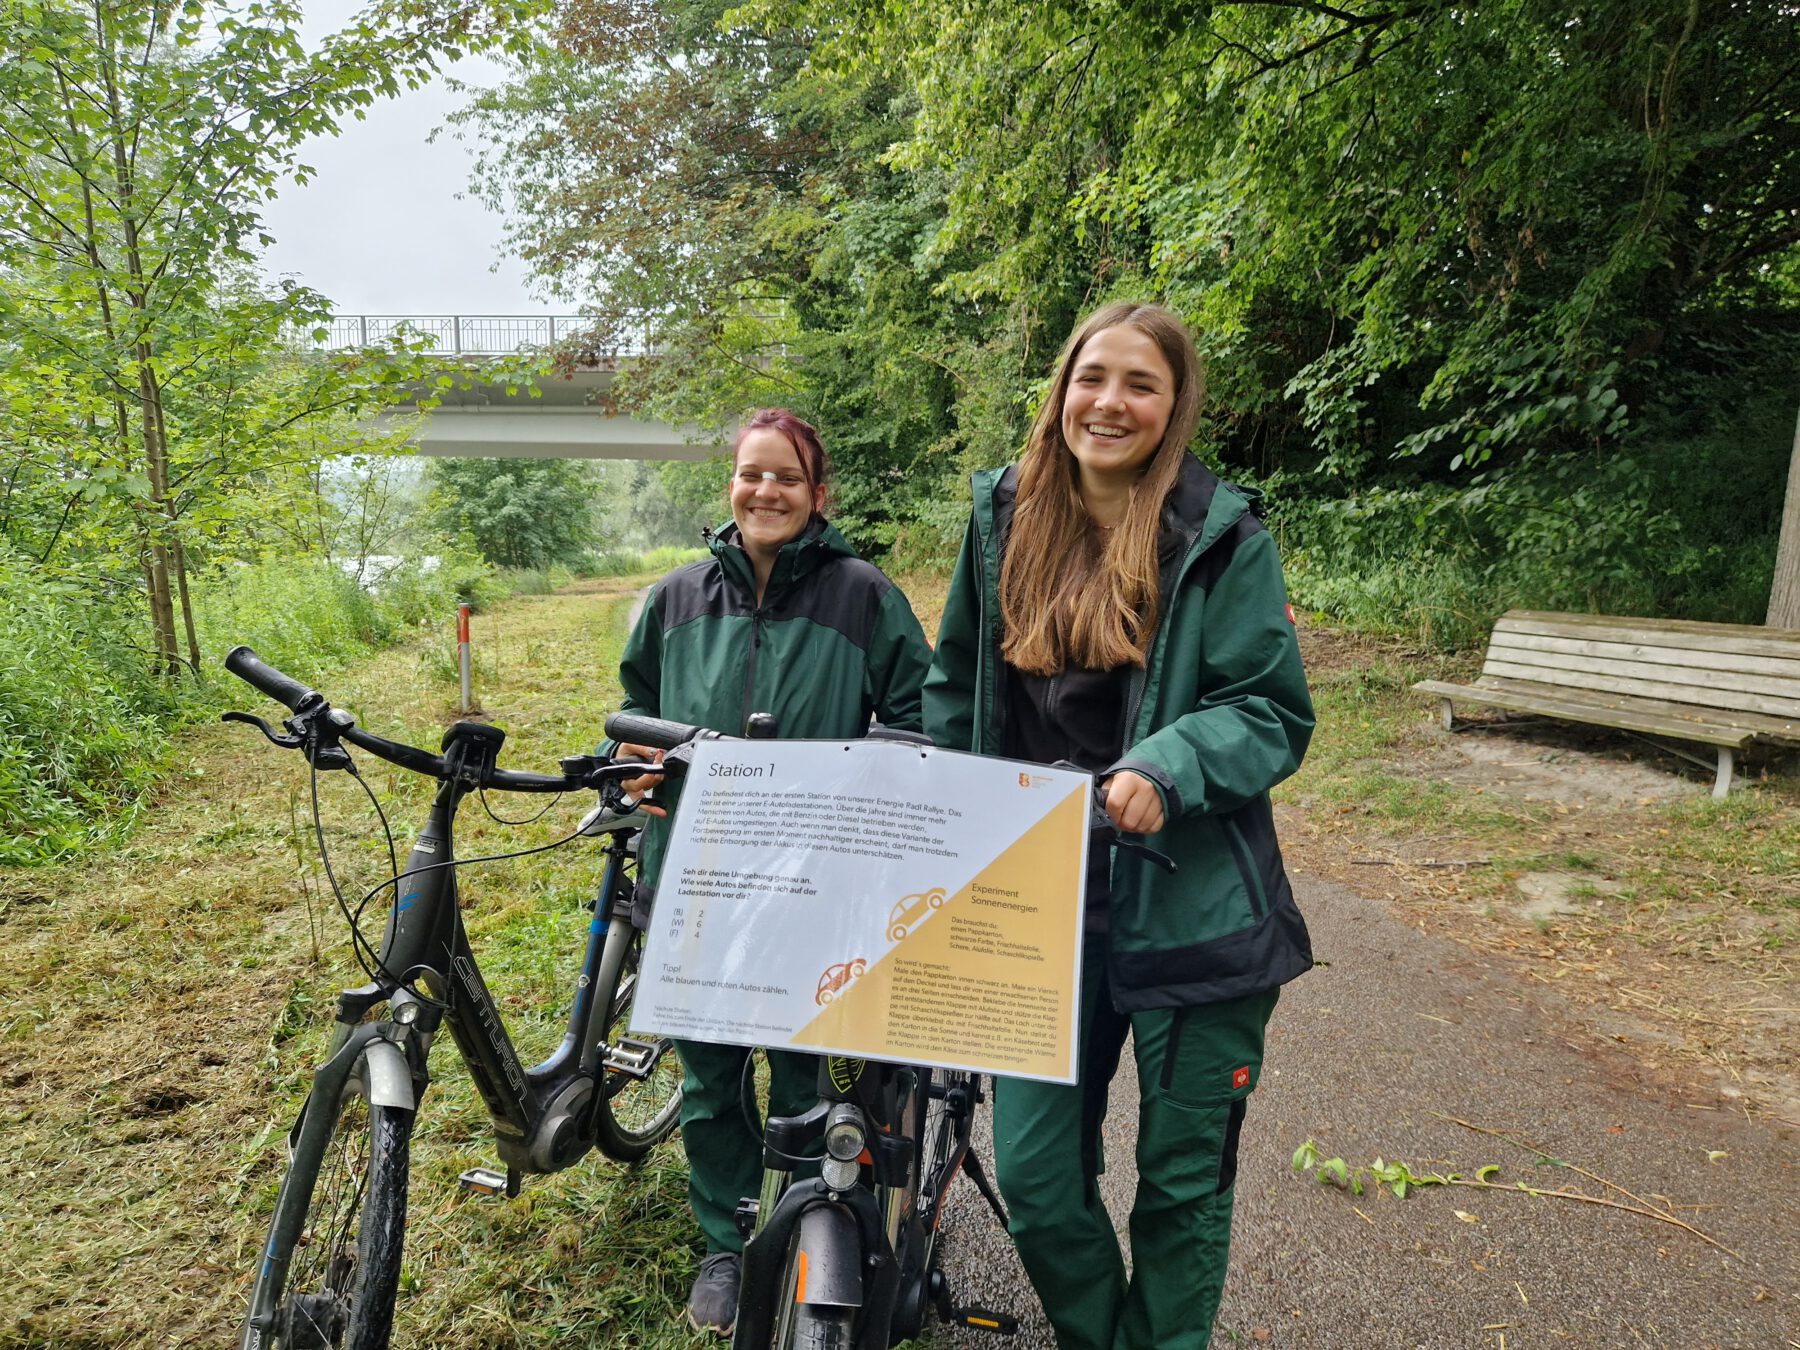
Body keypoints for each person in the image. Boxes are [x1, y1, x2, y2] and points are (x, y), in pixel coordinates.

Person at [922, 302, 1314, 1349]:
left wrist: (1168, 762)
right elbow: (954, 683)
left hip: (1194, 907)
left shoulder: (1222, 538)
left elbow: (1270, 711)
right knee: (1043, 1182)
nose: (1111, 402)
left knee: (1182, 1189)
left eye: (1142, 384)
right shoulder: (1003, 517)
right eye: (1094, 377)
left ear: (1174, 405)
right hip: (1035, 906)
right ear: (1061, 389)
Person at [606, 408, 933, 1336]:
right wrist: (638, 760)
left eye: (786, 477)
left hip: (812, 881)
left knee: (797, 1071)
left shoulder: (863, 595)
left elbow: (918, 714)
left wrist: (871, 777)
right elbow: (636, 706)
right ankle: (727, 1237)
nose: (767, 491)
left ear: (817, 494)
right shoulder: (674, 599)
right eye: (752, 475)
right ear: (732, 489)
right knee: (710, 1076)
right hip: (697, 877)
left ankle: (796, 1223)